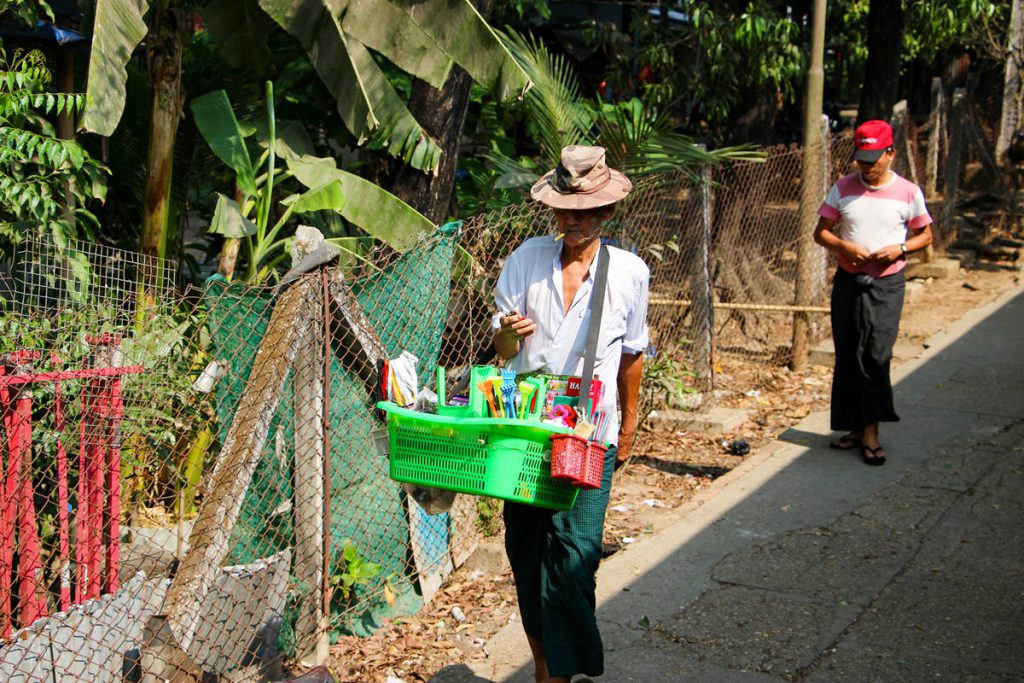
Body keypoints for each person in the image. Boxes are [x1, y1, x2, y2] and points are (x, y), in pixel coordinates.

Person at [491, 145, 650, 682]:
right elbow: (502, 351)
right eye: (564, 210)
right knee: (527, 550)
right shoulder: (526, 260)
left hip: (589, 434)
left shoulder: (629, 273)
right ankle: (545, 666)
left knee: (577, 552)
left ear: (606, 213)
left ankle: (565, 663)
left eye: (584, 212)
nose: (573, 221)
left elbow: (632, 357)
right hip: (524, 434)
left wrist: (628, 428)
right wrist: (506, 337)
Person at [814, 120, 933, 465]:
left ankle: (871, 432)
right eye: (862, 159)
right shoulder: (842, 187)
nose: (867, 165)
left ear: (891, 154)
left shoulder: (908, 192)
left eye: (874, 158)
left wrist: (900, 248)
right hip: (849, 280)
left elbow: (925, 236)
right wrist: (844, 246)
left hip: (887, 283)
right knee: (849, 352)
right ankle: (852, 427)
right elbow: (821, 233)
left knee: (876, 355)